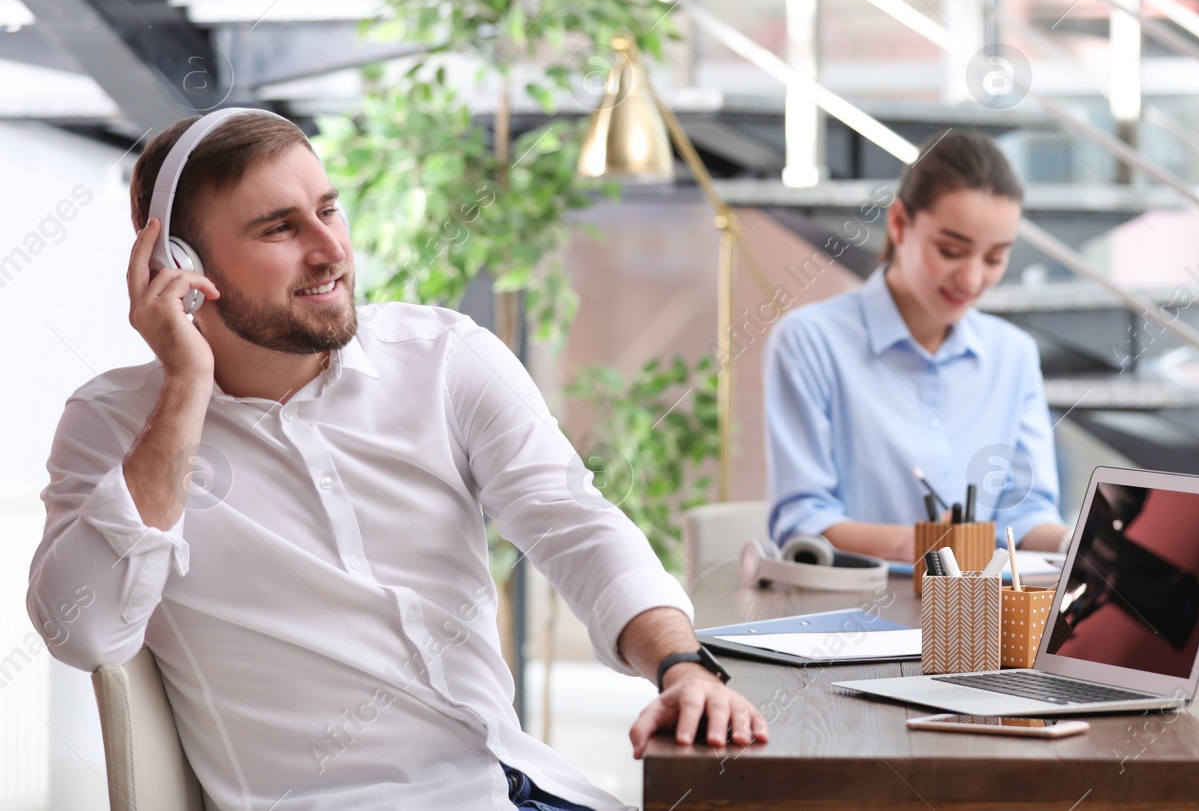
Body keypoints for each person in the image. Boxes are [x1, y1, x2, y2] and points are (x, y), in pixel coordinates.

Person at [27, 111, 766, 811]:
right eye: (281, 227)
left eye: (329, 208)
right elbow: (81, 632)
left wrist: (680, 664)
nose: (330, 249)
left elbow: (575, 526)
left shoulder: (444, 357)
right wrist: (188, 386)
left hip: (513, 785)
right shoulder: (115, 426)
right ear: (178, 266)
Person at [763, 130, 1070, 562]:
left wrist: (1078, 545)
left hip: (981, 614)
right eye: (950, 250)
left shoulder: (1013, 353)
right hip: (856, 612)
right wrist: (926, 544)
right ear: (899, 223)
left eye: (995, 258)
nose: (972, 279)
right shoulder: (810, 342)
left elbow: (1026, 511)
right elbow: (802, 521)